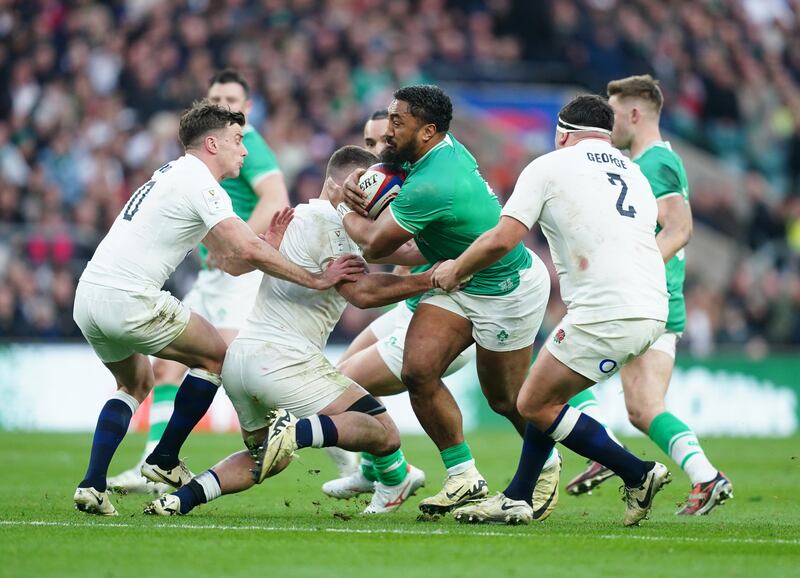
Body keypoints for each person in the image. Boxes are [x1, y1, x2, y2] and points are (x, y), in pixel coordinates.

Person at [72, 101, 362, 516]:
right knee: (218, 355)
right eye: (237, 140)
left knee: (135, 384)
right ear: (211, 143)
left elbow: (231, 261)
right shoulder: (200, 181)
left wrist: (271, 246)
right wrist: (316, 278)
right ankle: (164, 459)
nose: (244, 150)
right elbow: (244, 246)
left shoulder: (169, 175)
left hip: (89, 297)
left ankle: (92, 485)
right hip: (130, 297)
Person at [144, 146, 432, 517]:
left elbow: (392, 252)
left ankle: (178, 501)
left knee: (266, 459)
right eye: (361, 186)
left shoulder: (303, 218)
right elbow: (360, 292)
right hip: (284, 362)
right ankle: (297, 431)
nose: (365, 197)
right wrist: (432, 279)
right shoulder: (331, 224)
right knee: (383, 432)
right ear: (335, 185)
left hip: (242, 361)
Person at [434, 95, 671, 526]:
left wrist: (456, 269)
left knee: (533, 403)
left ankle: (638, 473)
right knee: (546, 396)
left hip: (606, 308)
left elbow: (504, 238)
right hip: (653, 305)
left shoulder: (550, 165)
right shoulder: (634, 173)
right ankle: (518, 496)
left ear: (562, 133)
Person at [324, 109, 560, 522]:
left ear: (427, 132)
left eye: (396, 125)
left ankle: (548, 460)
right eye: (380, 132)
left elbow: (378, 248)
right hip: (457, 281)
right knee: (417, 370)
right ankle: (461, 474)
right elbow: (411, 248)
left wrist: (343, 208)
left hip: (505, 290)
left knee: (505, 399)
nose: (387, 136)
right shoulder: (432, 157)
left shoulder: (431, 184)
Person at [108, 69, 289, 495]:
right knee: (168, 365)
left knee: (236, 364)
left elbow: (277, 198)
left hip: (236, 275)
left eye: (232, 97)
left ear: (248, 105)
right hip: (214, 275)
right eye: (216, 97)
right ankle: (153, 462)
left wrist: (241, 244)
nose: (225, 104)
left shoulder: (252, 143)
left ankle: (342, 443)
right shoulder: (214, 149)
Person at [564, 75, 733, 515]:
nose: (607, 122)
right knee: (643, 408)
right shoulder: (650, 159)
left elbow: (679, 228)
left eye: (614, 112)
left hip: (642, 295)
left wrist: (631, 269)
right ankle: (705, 476)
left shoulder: (655, 162)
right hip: (660, 299)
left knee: (556, 367)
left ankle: (605, 450)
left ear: (635, 115)